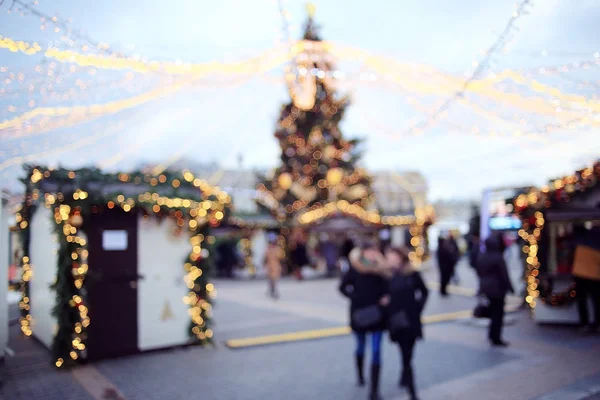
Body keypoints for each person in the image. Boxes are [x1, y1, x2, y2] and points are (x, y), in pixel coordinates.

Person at [340, 240, 388, 400]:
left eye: (375, 251)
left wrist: (385, 298)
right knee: (360, 347)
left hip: (377, 315)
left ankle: (374, 391)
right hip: (359, 314)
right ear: (363, 253)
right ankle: (360, 375)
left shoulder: (381, 269)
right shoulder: (355, 268)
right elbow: (342, 287)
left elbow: (388, 287)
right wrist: (355, 297)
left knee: (376, 351)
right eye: (370, 251)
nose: (373, 254)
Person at [382, 247, 428, 400]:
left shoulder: (412, 273)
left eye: (392, 256)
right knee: (405, 354)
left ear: (400, 257)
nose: (390, 259)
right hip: (396, 321)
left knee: (409, 353)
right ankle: (412, 391)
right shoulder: (386, 276)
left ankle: (404, 374)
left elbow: (424, 291)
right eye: (388, 256)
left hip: (412, 319)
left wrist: (418, 307)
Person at [476, 233, 515, 346]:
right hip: (497, 289)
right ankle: (496, 337)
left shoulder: (482, 256)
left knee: (492, 311)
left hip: (485, 288)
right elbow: (504, 274)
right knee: (498, 313)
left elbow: (478, 271)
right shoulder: (498, 257)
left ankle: (491, 335)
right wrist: (510, 287)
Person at [571, 226, 600, 333]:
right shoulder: (597, 246)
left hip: (579, 274)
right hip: (595, 276)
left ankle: (584, 324)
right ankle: (597, 324)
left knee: (581, 301)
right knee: (596, 302)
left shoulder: (580, 244)